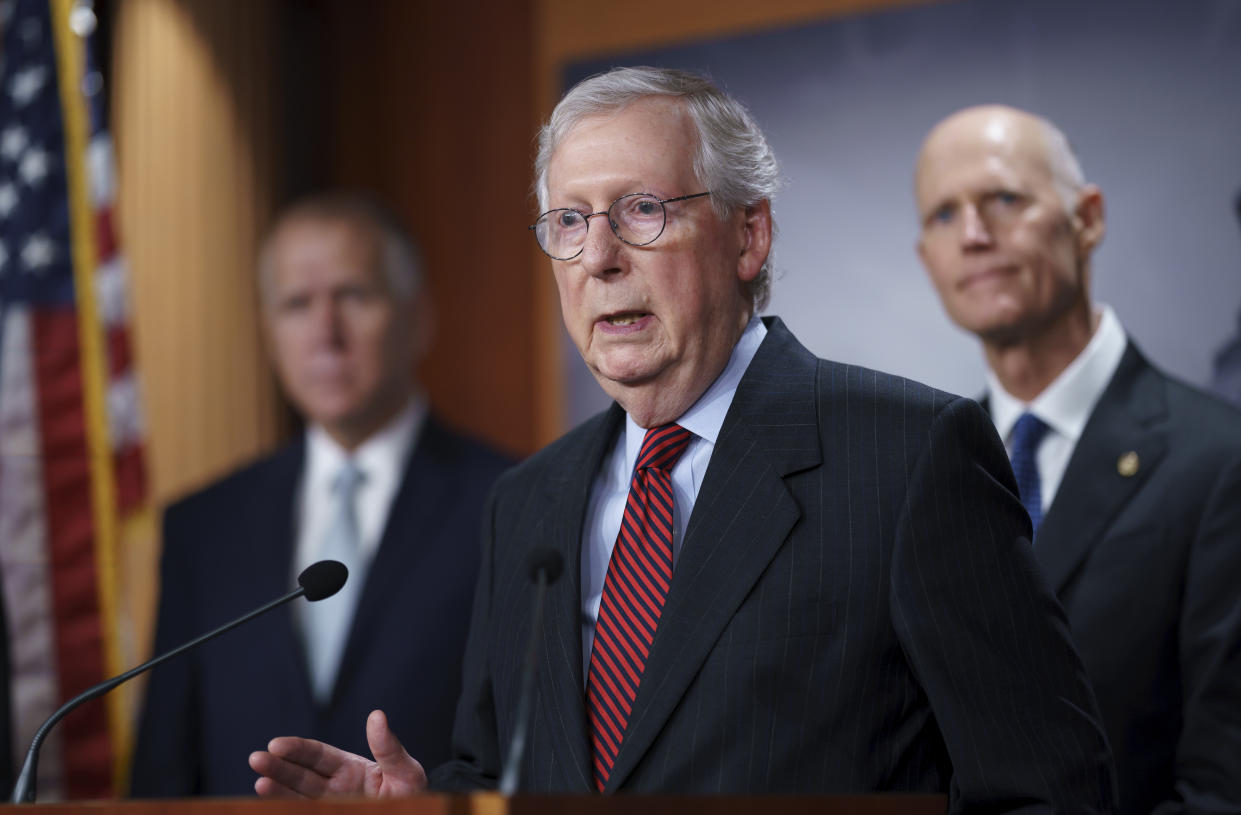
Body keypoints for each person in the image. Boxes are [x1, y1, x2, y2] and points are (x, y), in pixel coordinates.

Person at [250, 68, 1116, 810]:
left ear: (748, 235)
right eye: (569, 223)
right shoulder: (526, 502)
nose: (598, 258)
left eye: (640, 210)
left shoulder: (909, 456)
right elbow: (503, 770)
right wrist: (433, 803)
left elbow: (1047, 791)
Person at [914, 105, 1241, 814]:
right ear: (925, 259)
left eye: (1003, 199)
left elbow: (1225, 786)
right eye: (943, 214)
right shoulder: (920, 477)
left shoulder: (1221, 460)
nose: (972, 235)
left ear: (1086, 218)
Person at [130, 194, 513, 796]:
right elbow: (161, 773)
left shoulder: (511, 503)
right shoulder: (203, 526)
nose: (325, 333)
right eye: (296, 304)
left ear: (418, 316)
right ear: (268, 331)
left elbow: (533, 750)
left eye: (354, 296)